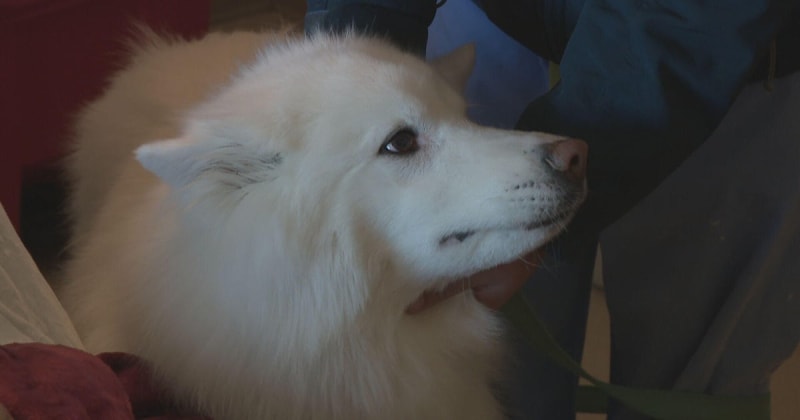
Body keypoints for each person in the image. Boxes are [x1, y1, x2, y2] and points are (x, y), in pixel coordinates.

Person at [305, 1, 800, 419]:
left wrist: (540, 202)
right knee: (495, 370)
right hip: (505, 21)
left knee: (688, 390)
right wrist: (342, 93)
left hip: (722, 50)